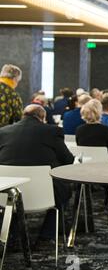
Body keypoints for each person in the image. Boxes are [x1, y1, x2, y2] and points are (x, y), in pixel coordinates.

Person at [0, 104, 74, 246]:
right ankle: (47, 235)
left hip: (7, 192)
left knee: (14, 195)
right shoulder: (52, 131)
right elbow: (68, 160)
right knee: (64, 190)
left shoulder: (3, 131)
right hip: (45, 194)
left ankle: (11, 234)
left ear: (23, 115)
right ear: (43, 118)